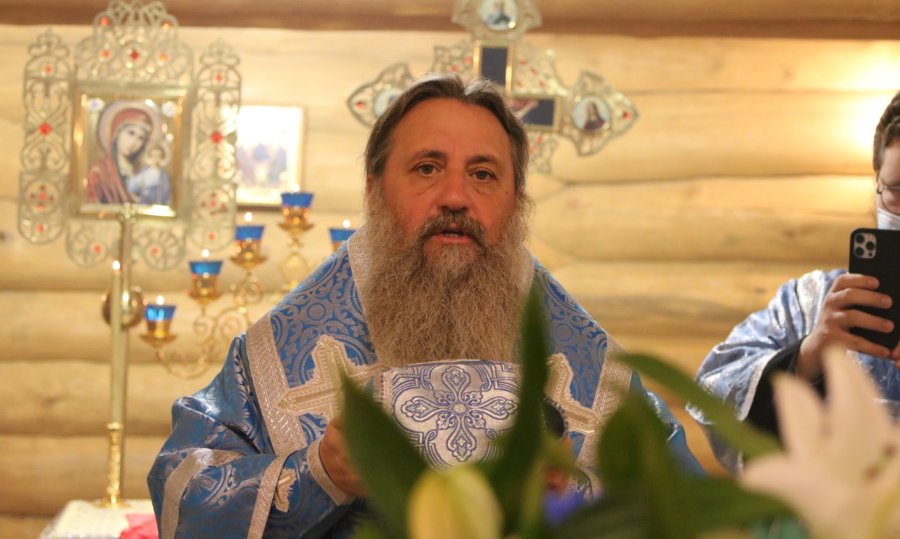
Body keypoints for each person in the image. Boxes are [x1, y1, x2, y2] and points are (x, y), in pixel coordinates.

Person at [148, 74, 701, 538]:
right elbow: (182, 491)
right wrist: (318, 473)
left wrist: (568, 497)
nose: (455, 197)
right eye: (427, 168)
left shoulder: (589, 365)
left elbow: (686, 508)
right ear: (374, 190)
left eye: (483, 174)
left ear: (516, 202)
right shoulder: (278, 354)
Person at [689, 90, 900, 474]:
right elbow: (712, 393)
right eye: (899, 191)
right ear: (877, 187)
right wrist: (808, 355)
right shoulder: (811, 301)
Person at [85, 104, 154, 204]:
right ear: (117, 132)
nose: (134, 142)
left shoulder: (142, 171)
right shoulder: (98, 172)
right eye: (130, 133)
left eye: (141, 138)